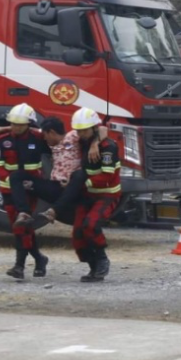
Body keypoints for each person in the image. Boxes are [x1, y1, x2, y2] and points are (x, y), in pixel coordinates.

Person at [0, 103, 50, 280]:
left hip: (30, 189)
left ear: (29, 124)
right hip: (8, 189)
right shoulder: (1, 140)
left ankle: (19, 266)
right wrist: (10, 180)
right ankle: (39, 259)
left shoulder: (38, 138)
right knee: (21, 227)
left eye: (20, 124)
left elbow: (58, 140)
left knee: (22, 226)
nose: (16, 127)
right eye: (13, 124)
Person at [59, 107, 119, 283]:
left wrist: (82, 183)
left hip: (106, 194)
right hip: (87, 195)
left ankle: (102, 259)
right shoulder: (82, 141)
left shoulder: (108, 147)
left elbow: (107, 175)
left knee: (90, 225)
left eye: (84, 130)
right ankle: (93, 267)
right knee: (78, 234)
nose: (81, 134)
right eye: (78, 130)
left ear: (93, 128)